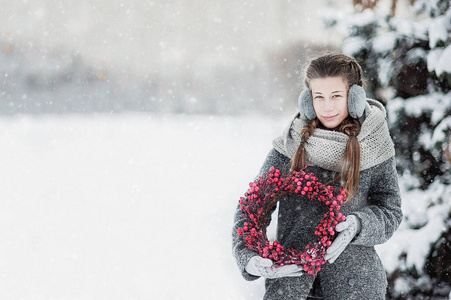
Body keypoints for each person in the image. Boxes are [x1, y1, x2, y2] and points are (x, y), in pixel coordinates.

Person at [232, 52, 402, 299]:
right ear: (307, 101)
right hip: (290, 285)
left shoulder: (376, 145)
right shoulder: (289, 145)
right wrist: (249, 255)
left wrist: (358, 224)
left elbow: (390, 210)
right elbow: (252, 208)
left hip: (356, 286)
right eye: (318, 97)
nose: (327, 106)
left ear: (354, 98)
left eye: (336, 96)